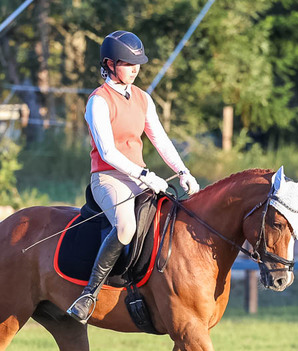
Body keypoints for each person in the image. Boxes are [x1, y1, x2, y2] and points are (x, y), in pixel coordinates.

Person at [66, 30, 200, 324]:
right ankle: (89, 295)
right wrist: (145, 174)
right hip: (108, 178)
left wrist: (182, 171)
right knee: (126, 227)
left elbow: (160, 140)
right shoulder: (98, 101)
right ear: (109, 64)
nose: (135, 69)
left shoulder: (143, 98)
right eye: (128, 63)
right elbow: (108, 151)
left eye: (137, 63)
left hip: (140, 179)